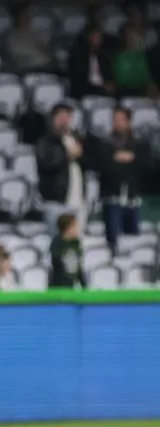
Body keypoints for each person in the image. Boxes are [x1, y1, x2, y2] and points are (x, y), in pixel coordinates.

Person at [95, 107, 148, 251]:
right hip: (111, 198)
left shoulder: (139, 145)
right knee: (113, 242)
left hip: (133, 199)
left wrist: (131, 158)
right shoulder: (104, 144)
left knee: (133, 242)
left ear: (129, 122)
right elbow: (104, 167)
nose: (117, 123)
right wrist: (124, 161)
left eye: (121, 120)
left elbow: (146, 167)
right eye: (115, 120)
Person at [37, 103, 86, 232]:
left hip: (77, 202)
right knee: (56, 242)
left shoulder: (77, 140)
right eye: (60, 117)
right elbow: (46, 163)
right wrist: (67, 155)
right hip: (56, 203)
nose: (64, 121)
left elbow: (90, 165)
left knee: (76, 244)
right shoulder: (45, 142)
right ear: (53, 119)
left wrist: (82, 155)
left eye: (67, 117)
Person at [68, 25, 114, 99]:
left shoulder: (104, 56)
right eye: (96, 37)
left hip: (103, 92)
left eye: (100, 37)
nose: (99, 40)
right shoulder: (78, 57)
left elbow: (109, 75)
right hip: (86, 92)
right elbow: (79, 81)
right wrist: (100, 87)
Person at [6, 6, 56, 73]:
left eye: (27, 17)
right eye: (23, 17)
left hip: (45, 66)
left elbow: (46, 44)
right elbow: (18, 53)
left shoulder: (34, 32)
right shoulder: (13, 36)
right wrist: (36, 48)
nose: (26, 19)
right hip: (27, 68)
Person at [49, 213, 86, 288]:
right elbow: (56, 264)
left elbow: (78, 266)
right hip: (58, 286)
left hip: (71, 285)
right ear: (67, 228)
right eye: (75, 226)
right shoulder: (57, 243)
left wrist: (83, 285)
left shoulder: (76, 243)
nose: (78, 229)